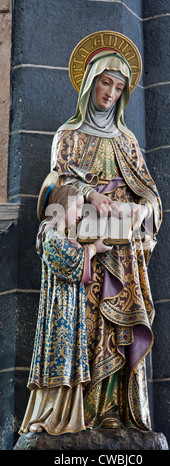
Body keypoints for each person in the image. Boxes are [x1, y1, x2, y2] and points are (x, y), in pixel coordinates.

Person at [49, 31, 162, 432]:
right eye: (105, 82)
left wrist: (140, 210)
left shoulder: (128, 143)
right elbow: (54, 187)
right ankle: (86, 412)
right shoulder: (69, 136)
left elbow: (150, 194)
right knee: (88, 325)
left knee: (120, 326)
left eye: (119, 86)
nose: (111, 93)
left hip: (124, 250)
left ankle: (117, 409)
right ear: (90, 83)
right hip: (84, 247)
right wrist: (90, 194)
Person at [19, 182, 112, 434]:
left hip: (69, 309)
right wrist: (93, 249)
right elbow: (69, 263)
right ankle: (47, 417)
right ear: (63, 206)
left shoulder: (63, 236)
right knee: (58, 356)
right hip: (59, 312)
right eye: (78, 207)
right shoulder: (49, 234)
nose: (81, 214)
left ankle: (68, 417)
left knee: (68, 358)